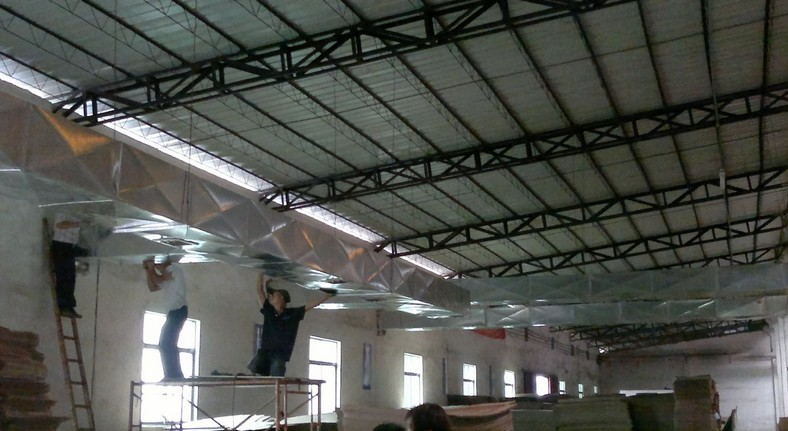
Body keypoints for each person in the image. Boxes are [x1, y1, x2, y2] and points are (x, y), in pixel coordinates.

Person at [248, 274, 336, 376]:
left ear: (281, 298)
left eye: (274, 296)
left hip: (280, 354)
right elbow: (260, 291)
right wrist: (260, 275)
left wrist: (326, 297)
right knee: (254, 368)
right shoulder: (269, 311)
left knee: (277, 374)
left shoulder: (292, 314)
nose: (271, 298)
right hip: (265, 351)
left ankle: (275, 383)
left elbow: (310, 305)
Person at [143, 255, 188, 380]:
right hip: (175, 312)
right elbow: (152, 287)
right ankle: (173, 374)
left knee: (166, 343)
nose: (158, 268)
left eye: (159, 265)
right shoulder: (169, 277)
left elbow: (158, 279)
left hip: (178, 311)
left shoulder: (174, 269)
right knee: (167, 343)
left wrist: (150, 268)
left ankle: (174, 374)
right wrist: (149, 270)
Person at [50, 213, 87, 318]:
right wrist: (78, 224)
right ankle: (63, 306)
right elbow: (59, 225)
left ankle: (69, 306)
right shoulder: (65, 210)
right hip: (61, 245)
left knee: (70, 277)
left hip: (70, 246)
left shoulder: (78, 213)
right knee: (64, 277)